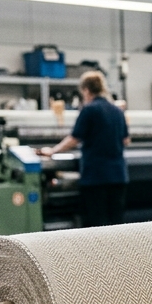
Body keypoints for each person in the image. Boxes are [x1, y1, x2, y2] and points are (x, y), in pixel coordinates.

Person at [41, 71, 131, 228]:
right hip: (118, 176)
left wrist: (52, 151)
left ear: (86, 90)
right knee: (116, 224)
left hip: (96, 177)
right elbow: (126, 140)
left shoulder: (89, 110)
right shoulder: (117, 111)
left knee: (97, 224)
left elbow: (74, 139)